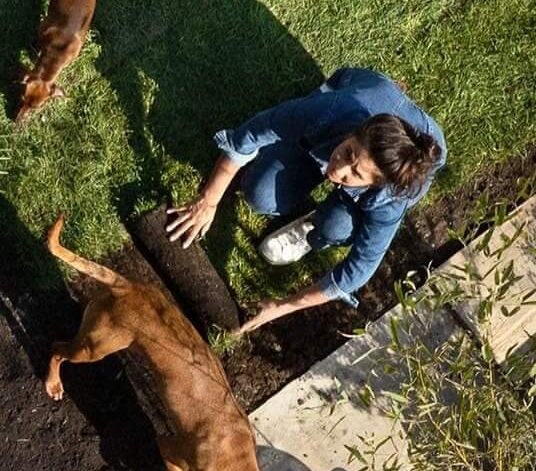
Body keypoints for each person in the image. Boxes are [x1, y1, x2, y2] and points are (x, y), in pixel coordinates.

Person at [159, 67, 446, 335]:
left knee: (336, 227)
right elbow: (250, 134)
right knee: (259, 194)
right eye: (348, 152)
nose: (339, 169)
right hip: (355, 92)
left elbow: (358, 270)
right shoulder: (331, 110)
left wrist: (281, 307)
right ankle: (335, 145)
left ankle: (314, 227)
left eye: (355, 173)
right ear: (353, 133)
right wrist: (208, 200)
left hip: (413, 150)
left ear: (376, 184)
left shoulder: (392, 197)